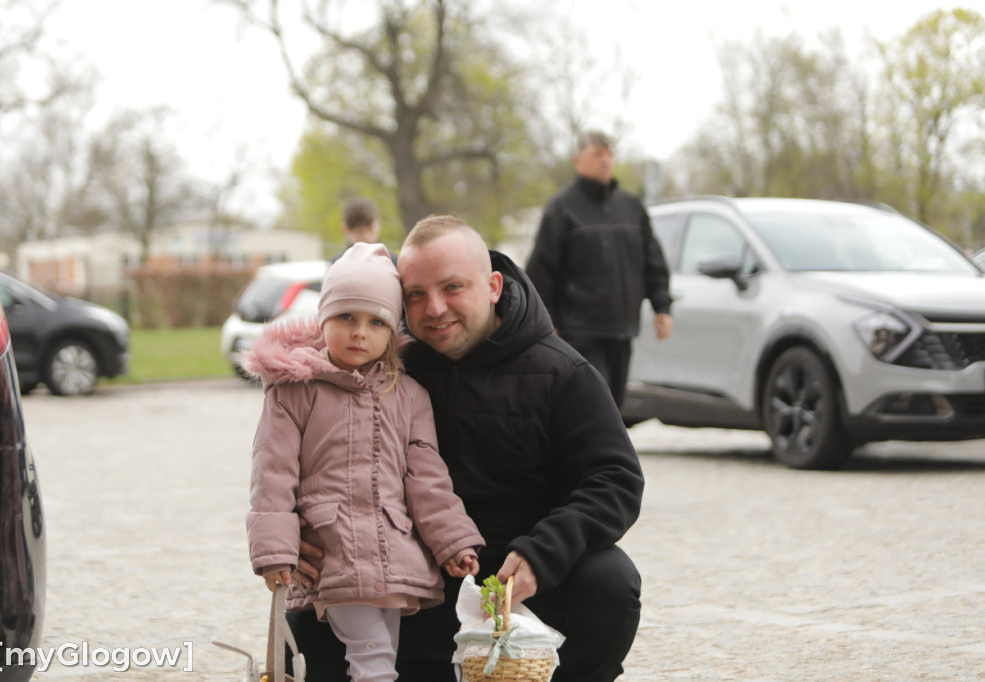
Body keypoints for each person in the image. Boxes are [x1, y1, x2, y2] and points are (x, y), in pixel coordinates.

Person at [287, 216, 644, 682]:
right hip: (411, 581)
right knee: (307, 619)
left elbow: (615, 481)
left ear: (494, 286)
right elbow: (301, 462)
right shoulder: (384, 373)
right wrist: (298, 527)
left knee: (609, 581)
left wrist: (543, 553)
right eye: (415, 294)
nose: (434, 308)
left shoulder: (562, 374)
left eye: (452, 287)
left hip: (520, 580)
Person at [243, 242, 485, 682]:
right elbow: (272, 472)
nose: (360, 333)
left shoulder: (409, 396)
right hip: (334, 550)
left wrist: (454, 543)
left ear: (392, 332)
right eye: (346, 318)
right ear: (323, 320)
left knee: (379, 656)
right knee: (373, 661)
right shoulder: (295, 391)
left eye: (376, 322)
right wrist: (276, 550)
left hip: (393, 552)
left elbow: (428, 479)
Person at [525, 129, 674, 408]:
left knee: (615, 408)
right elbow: (541, 271)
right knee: (593, 405)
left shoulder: (631, 206)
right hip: (579, 332)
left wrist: (662, 307)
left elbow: (652, 260)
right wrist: (548, 323)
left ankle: (607, 453)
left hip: (622, 329)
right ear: (578, 161)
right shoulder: (561, 208)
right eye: (597, 154)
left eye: (609, 154)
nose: (605, 160)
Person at [329, 197, 386, 264]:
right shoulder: (336, 264)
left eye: (370, 229)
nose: (366, 237)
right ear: (345, 230)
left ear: (378, 224)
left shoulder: (393, 262)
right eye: (359, 232)